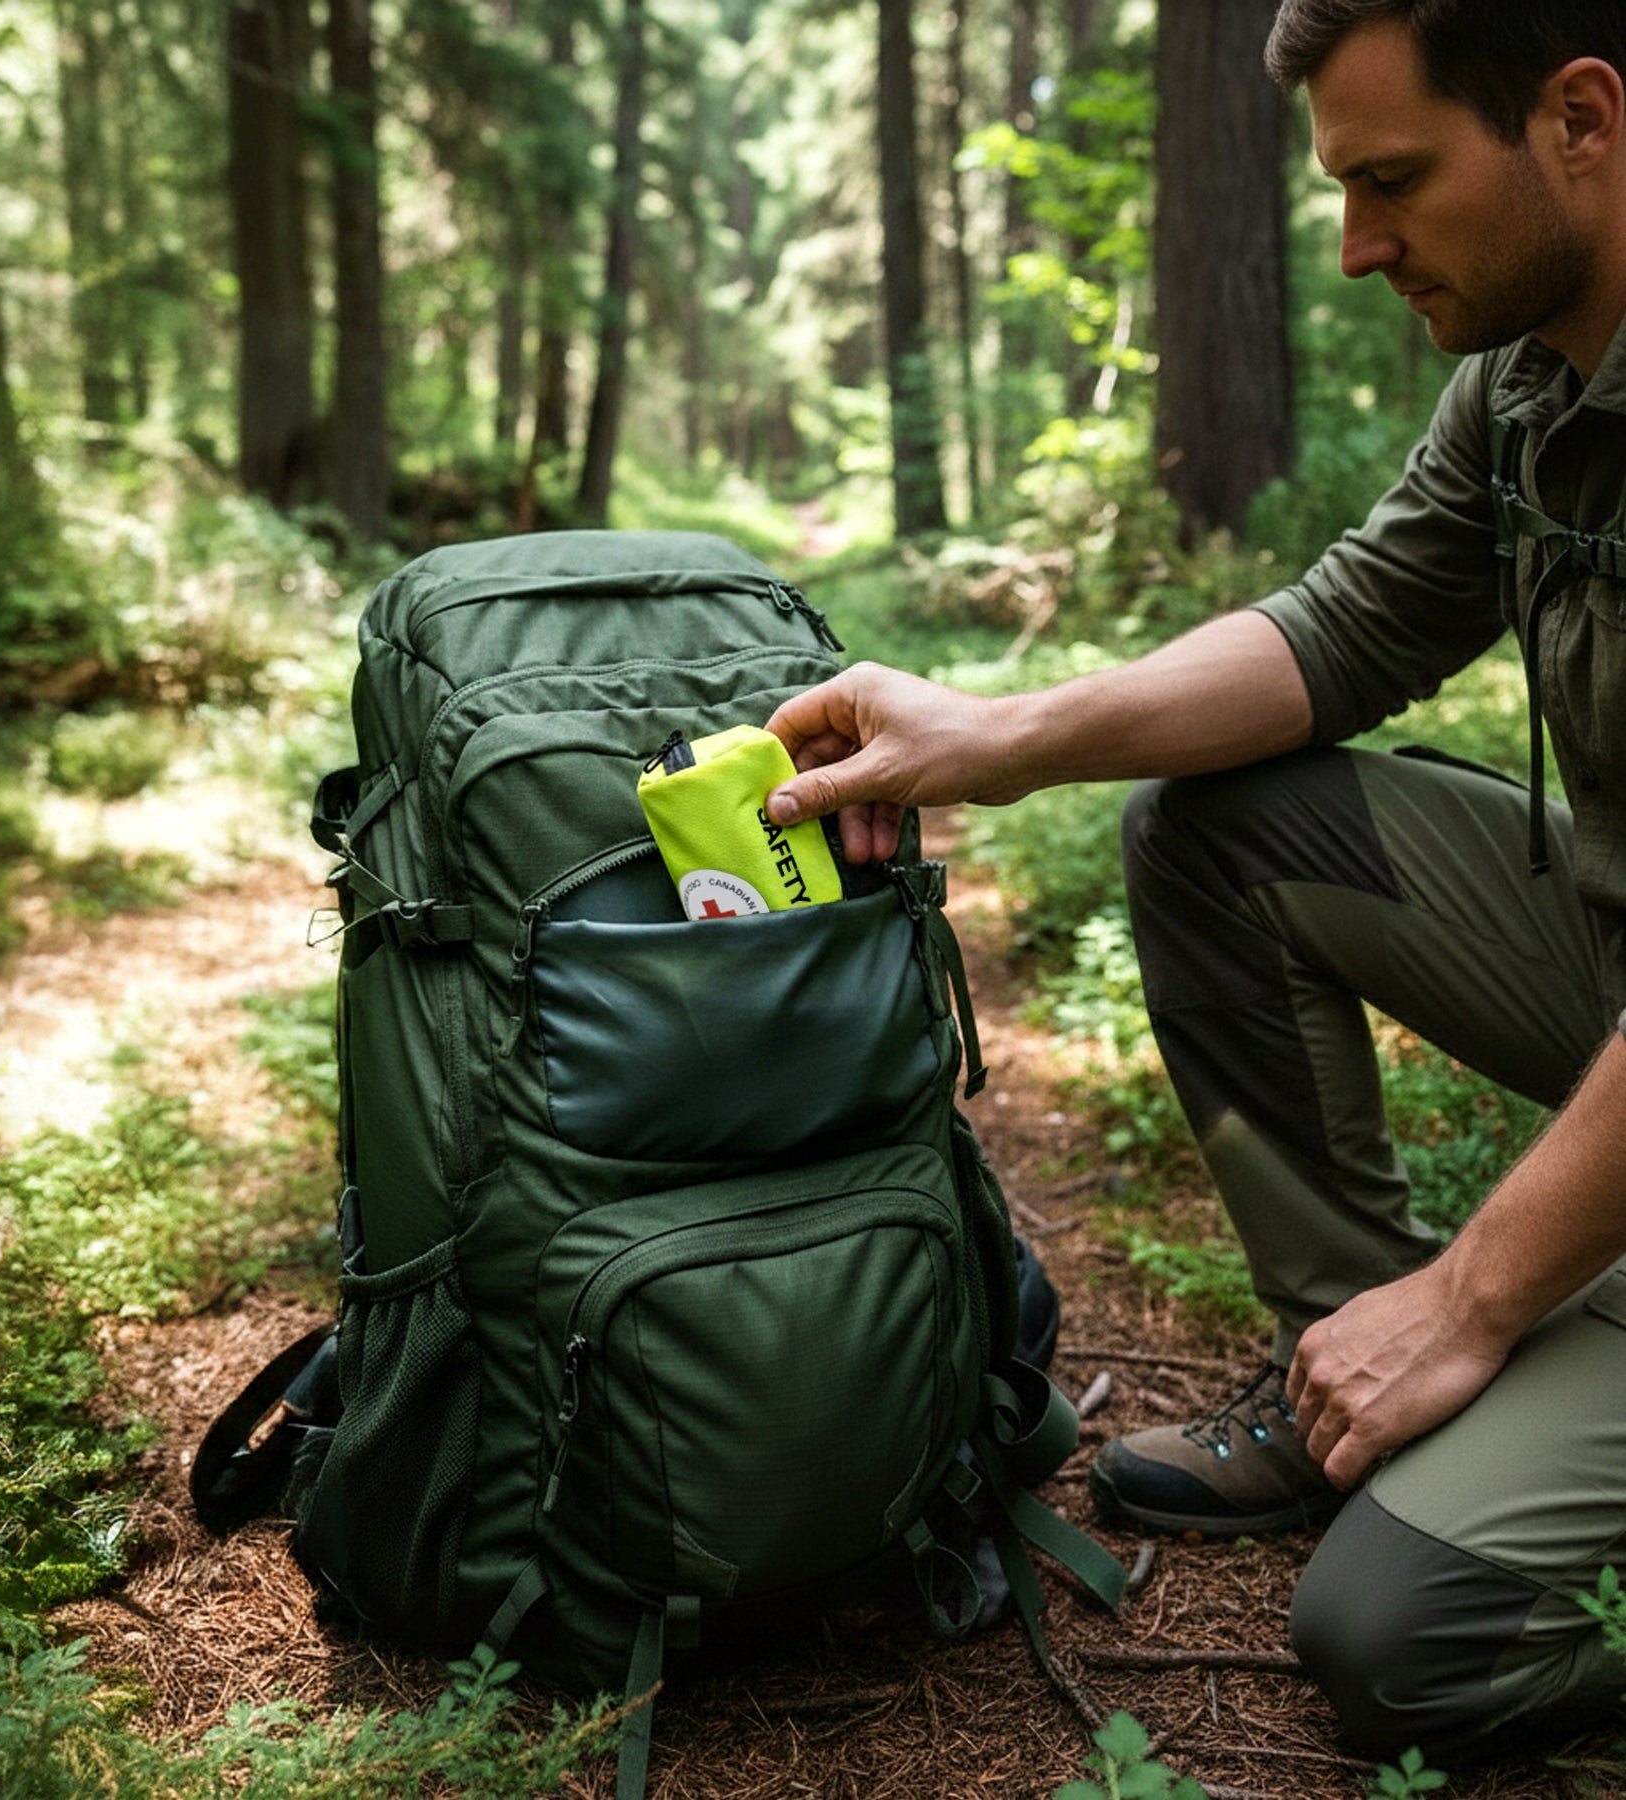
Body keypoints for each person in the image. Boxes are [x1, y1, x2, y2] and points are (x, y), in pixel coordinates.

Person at [764, 0, 1626, 1762]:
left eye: (1393, 179)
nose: (1357, 244)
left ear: (1582, 119)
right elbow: (1340, 631)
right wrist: (995, 731)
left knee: (1405, 1642)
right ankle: (1356, 1386)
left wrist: (1476, 1298)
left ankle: (1473, 1350)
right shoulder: (1532, 384)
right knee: (1220, 824)